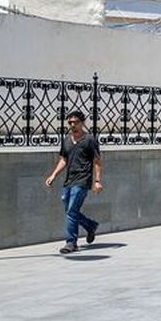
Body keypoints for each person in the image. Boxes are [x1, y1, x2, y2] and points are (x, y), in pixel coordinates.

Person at [45, 109, 103, 255]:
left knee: (71, 211)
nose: (72, 125)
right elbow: (64, 159)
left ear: (82, 123)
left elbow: (97, 161)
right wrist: (53, 175)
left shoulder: (89, 140)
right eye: (70, 122)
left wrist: (97, 181)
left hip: (83, 180)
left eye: (75, 122)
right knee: (70, 209)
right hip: (69, 180)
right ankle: (90, 226)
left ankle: (71, 243)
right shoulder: (66, 140)